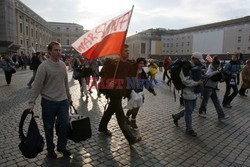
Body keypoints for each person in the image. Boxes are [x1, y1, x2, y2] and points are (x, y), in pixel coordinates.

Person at [28, 41, 72, 159]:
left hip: (63, 101)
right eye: (56, 50)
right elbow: (37, 85)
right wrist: (31, 102)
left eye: (59, 50)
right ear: (49, 52)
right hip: (48, 102)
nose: (58, 52)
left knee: (66, 124)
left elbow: (65, 83)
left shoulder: (63, 65)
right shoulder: (44, 66)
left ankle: (61, 146)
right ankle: (50, 149)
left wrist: (69, 97)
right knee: (48, 127)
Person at [98, 44, 142, 145]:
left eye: (128, 51)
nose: (128, 52)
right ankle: (131, 138)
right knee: (121, 116)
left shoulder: (128, 65)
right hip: (113, 93)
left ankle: (102, 127)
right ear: (120, 52)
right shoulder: (114, 65)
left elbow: (128, 79)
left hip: (120, 92)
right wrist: (109, 83)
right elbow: (104, 78)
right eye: (125, 51)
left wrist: (130, 90)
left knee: (110, 110)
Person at [171, 52, 204, 136]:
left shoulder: (194, 66)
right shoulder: (186, 67)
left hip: (194, 92)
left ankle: (176, 116)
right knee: (189, 112)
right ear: (194, 59)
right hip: (187, 92)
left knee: (190, 109)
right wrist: (196, 83)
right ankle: (189, 129)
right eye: (198, 60)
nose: (200, 62)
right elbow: (185, 81)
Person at [126, 58, 157, 129]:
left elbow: (146, 82)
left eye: (143, 63)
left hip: (139, 92)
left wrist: (152, 91)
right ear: (137, 63)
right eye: (140, 63)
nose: (141, 65)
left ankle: (133, 120)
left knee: (138, 106)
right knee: (132, 106)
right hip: (131, 91)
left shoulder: (143, 73)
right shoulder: (132, 71)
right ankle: (127, 117)